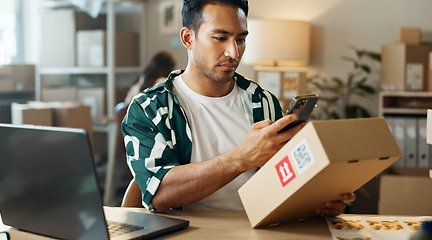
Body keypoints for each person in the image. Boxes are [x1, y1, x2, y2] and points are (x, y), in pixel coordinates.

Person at [121, 0, 355, 215]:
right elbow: (159, 193)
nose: (233, 52)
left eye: (240, 39)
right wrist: (241, 158)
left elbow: (284, 182)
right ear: (188, 38)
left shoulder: (263, 102)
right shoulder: (149, 108)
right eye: (220, 38)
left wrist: (316, 199)